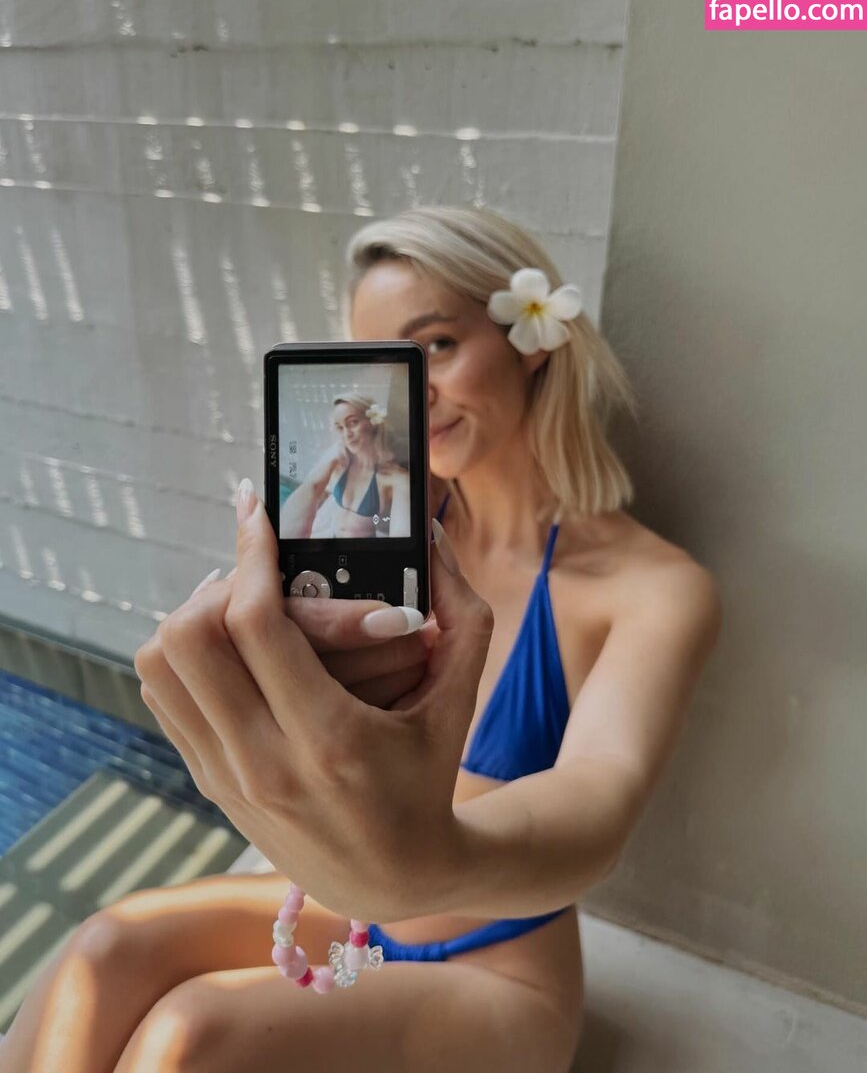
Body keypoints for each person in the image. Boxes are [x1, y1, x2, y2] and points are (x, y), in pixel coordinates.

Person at [0, 205, 721, 1073]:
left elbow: (598, 801)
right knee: (102, 952)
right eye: (386, 366)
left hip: (498, 969)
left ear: (533, 340)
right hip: (357, 914)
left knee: (189, 1037)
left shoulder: (652, 589)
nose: (414, 392)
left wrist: (420, 865)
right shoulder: (383, 533)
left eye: (438, 346)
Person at [280, 393, 411, 539]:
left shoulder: (398, 480)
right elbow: (311, 488)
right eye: (340, 427)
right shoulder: (338, 460)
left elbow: (402, 535)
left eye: (353, 422)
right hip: (332, 537)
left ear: (373, 423)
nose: (346, 434)